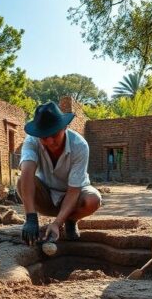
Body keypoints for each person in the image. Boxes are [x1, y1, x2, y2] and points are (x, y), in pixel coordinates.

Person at [18, 102, 102, 244]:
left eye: (54, 134)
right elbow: (26, 173)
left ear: (65, 127)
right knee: (21, 181)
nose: (50, 141)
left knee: (93, 200)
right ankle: (38, 219)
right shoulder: (31, 141)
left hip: (72, 196)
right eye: (44, 136)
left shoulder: (80, 146)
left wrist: (57, 223)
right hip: (46, 195)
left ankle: (70, 219)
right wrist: (30, 218)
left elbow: (74, 190)